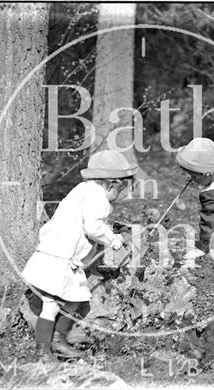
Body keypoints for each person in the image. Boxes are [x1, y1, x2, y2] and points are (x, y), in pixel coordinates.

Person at [21, 150, 136, 362]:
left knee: (73, 299)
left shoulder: (82, 190)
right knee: (52, 305)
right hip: (60, 259)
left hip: (55, 253)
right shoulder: (98, 196)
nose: (119, 196)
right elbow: (93, 227)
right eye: (121, 189)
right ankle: (44, 350)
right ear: (112, 184)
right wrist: (113, 240)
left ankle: (57, 340)